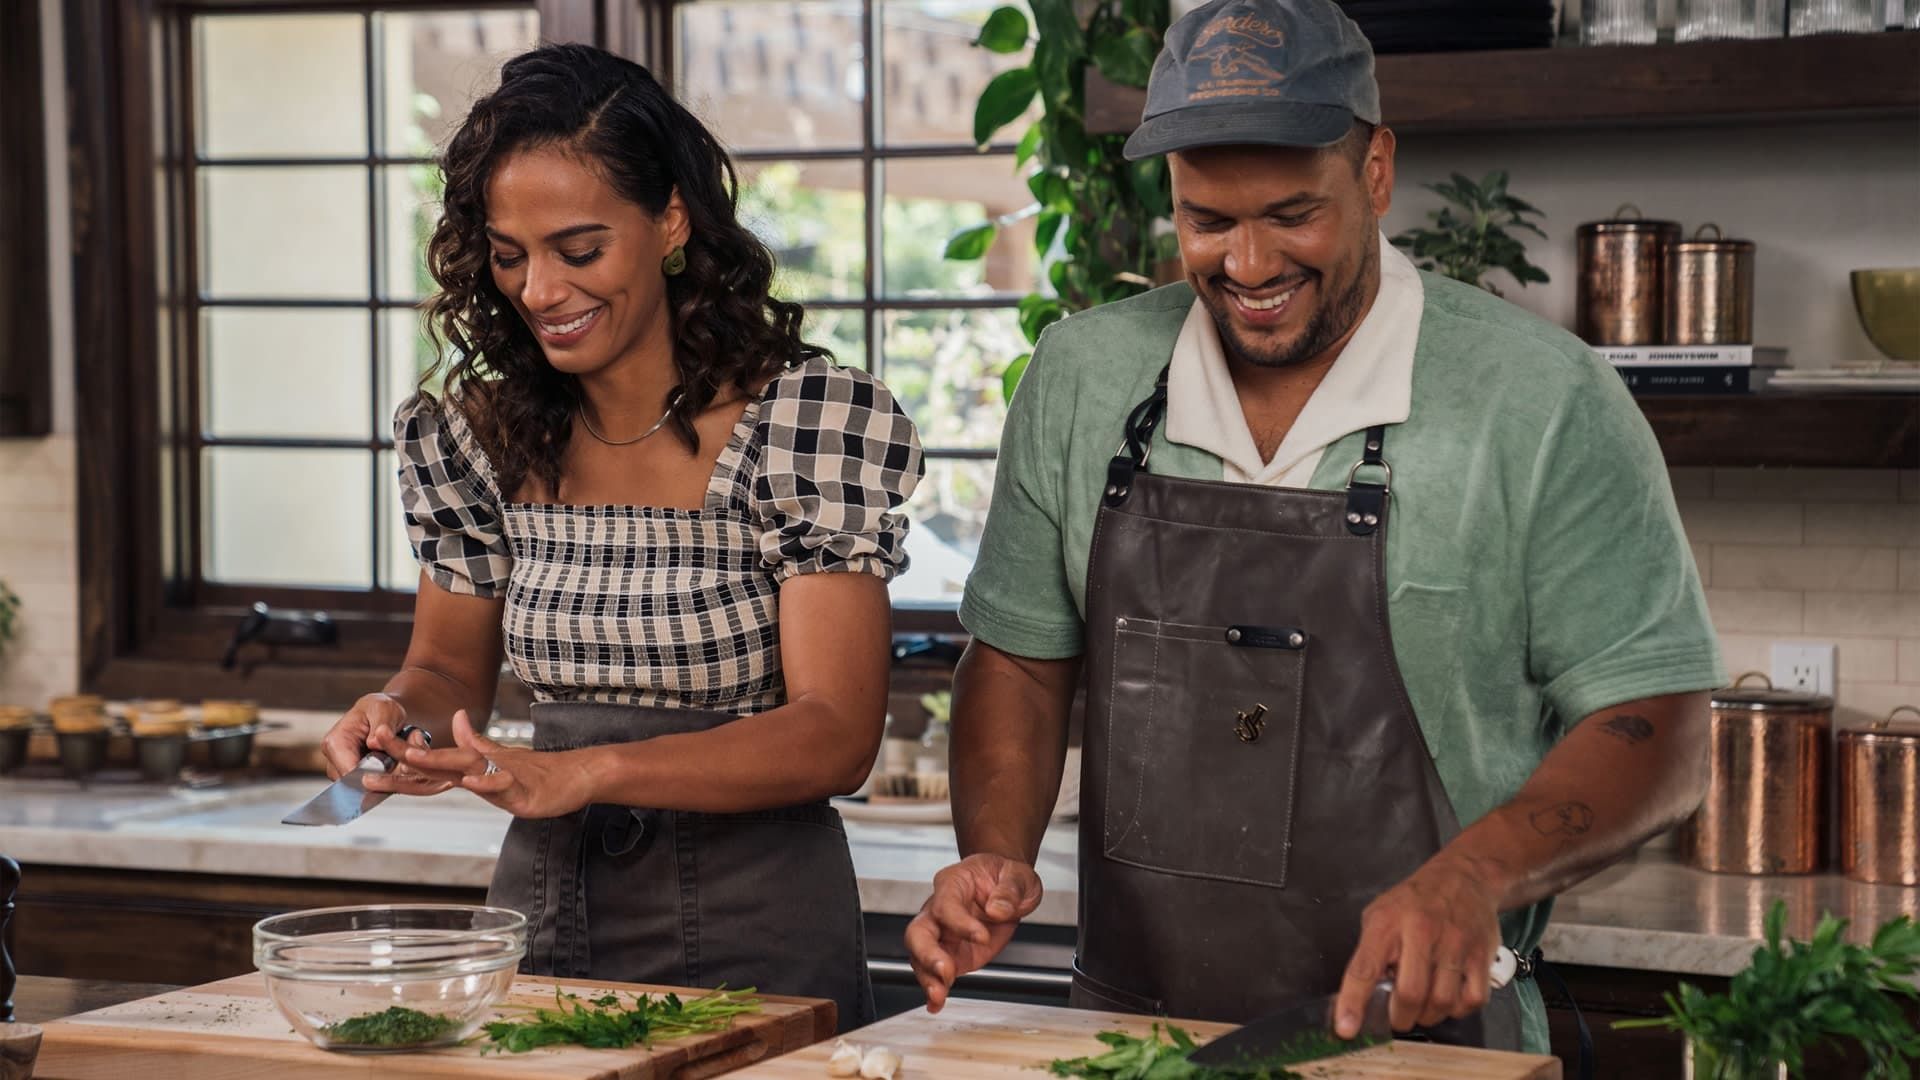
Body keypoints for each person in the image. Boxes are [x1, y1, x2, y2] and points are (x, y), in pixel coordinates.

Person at [905, 0, 1721, 1056]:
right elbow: (1017, 660)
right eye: (1207, 220)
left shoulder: (1541, 398)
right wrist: (993, 852)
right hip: (1135, 1047)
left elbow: (1658, 719)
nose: (1246, 267)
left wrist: (1474, 876)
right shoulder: (1083, 377)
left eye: (1293, 214)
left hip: (1428, 1051)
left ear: (1376, 172)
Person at [317, 43, 922, 1030]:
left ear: (671, 219)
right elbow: (443, 674)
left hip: (758, 930)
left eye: (578, 249)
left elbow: (835, 733)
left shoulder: (804, 427)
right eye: (510, 256)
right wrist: (393, 721)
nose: (540, 291)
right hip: (545, 915)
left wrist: (586, 770)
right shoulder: (475, 436)